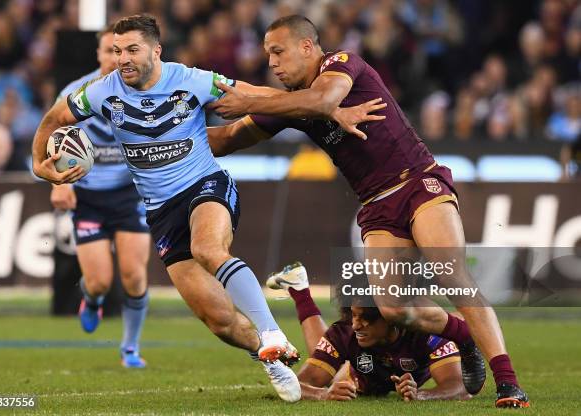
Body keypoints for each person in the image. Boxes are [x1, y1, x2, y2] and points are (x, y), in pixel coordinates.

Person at [207, 15, 529, 408]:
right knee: (393, 307)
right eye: (267, 54)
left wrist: (253, 99)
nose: (272, 62)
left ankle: (509, 383)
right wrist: (159, 135)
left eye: (278, 51)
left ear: (307, 47)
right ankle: (463, 338)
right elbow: (225, 140)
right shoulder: (287, 103)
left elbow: (323, 100)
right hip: (376, 205)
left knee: (451, 273)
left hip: (417, 181)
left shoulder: (341, 63)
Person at [32, 14, 307, 402]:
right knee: (219, 320)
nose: (122, 58)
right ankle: (271, 358)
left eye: (132, 50)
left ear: (156, 50)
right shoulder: (101, 92)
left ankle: (271, 331)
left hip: (204, 185)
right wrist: (36, 162)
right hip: (160, 212)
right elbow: (55, 117)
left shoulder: (193, 80)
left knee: (208, 249)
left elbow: (253, 94)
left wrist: (316, 107)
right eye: (116, 50)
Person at [50, 25, 151, 368]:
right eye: (109, 50)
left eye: (123, 51)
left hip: (129, 194)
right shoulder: (76, 92)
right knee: (99, 282)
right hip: (88, 197)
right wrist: (59, 182)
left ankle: (130, 348)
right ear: (98, 54)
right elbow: (52, 135)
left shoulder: (146, 89)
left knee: (134, 276)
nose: (116, 58)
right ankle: (91, 299)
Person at [267, 262, 471, 402]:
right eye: (354, 315)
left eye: (366, 318)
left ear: (391, 316)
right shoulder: (345, 331)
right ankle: (300, 290)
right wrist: (323, 394)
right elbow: (297, 383)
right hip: (360, 380)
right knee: (335, 378)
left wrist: (421, 395)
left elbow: (459, 387)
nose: (356, 325)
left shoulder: (427, 331)